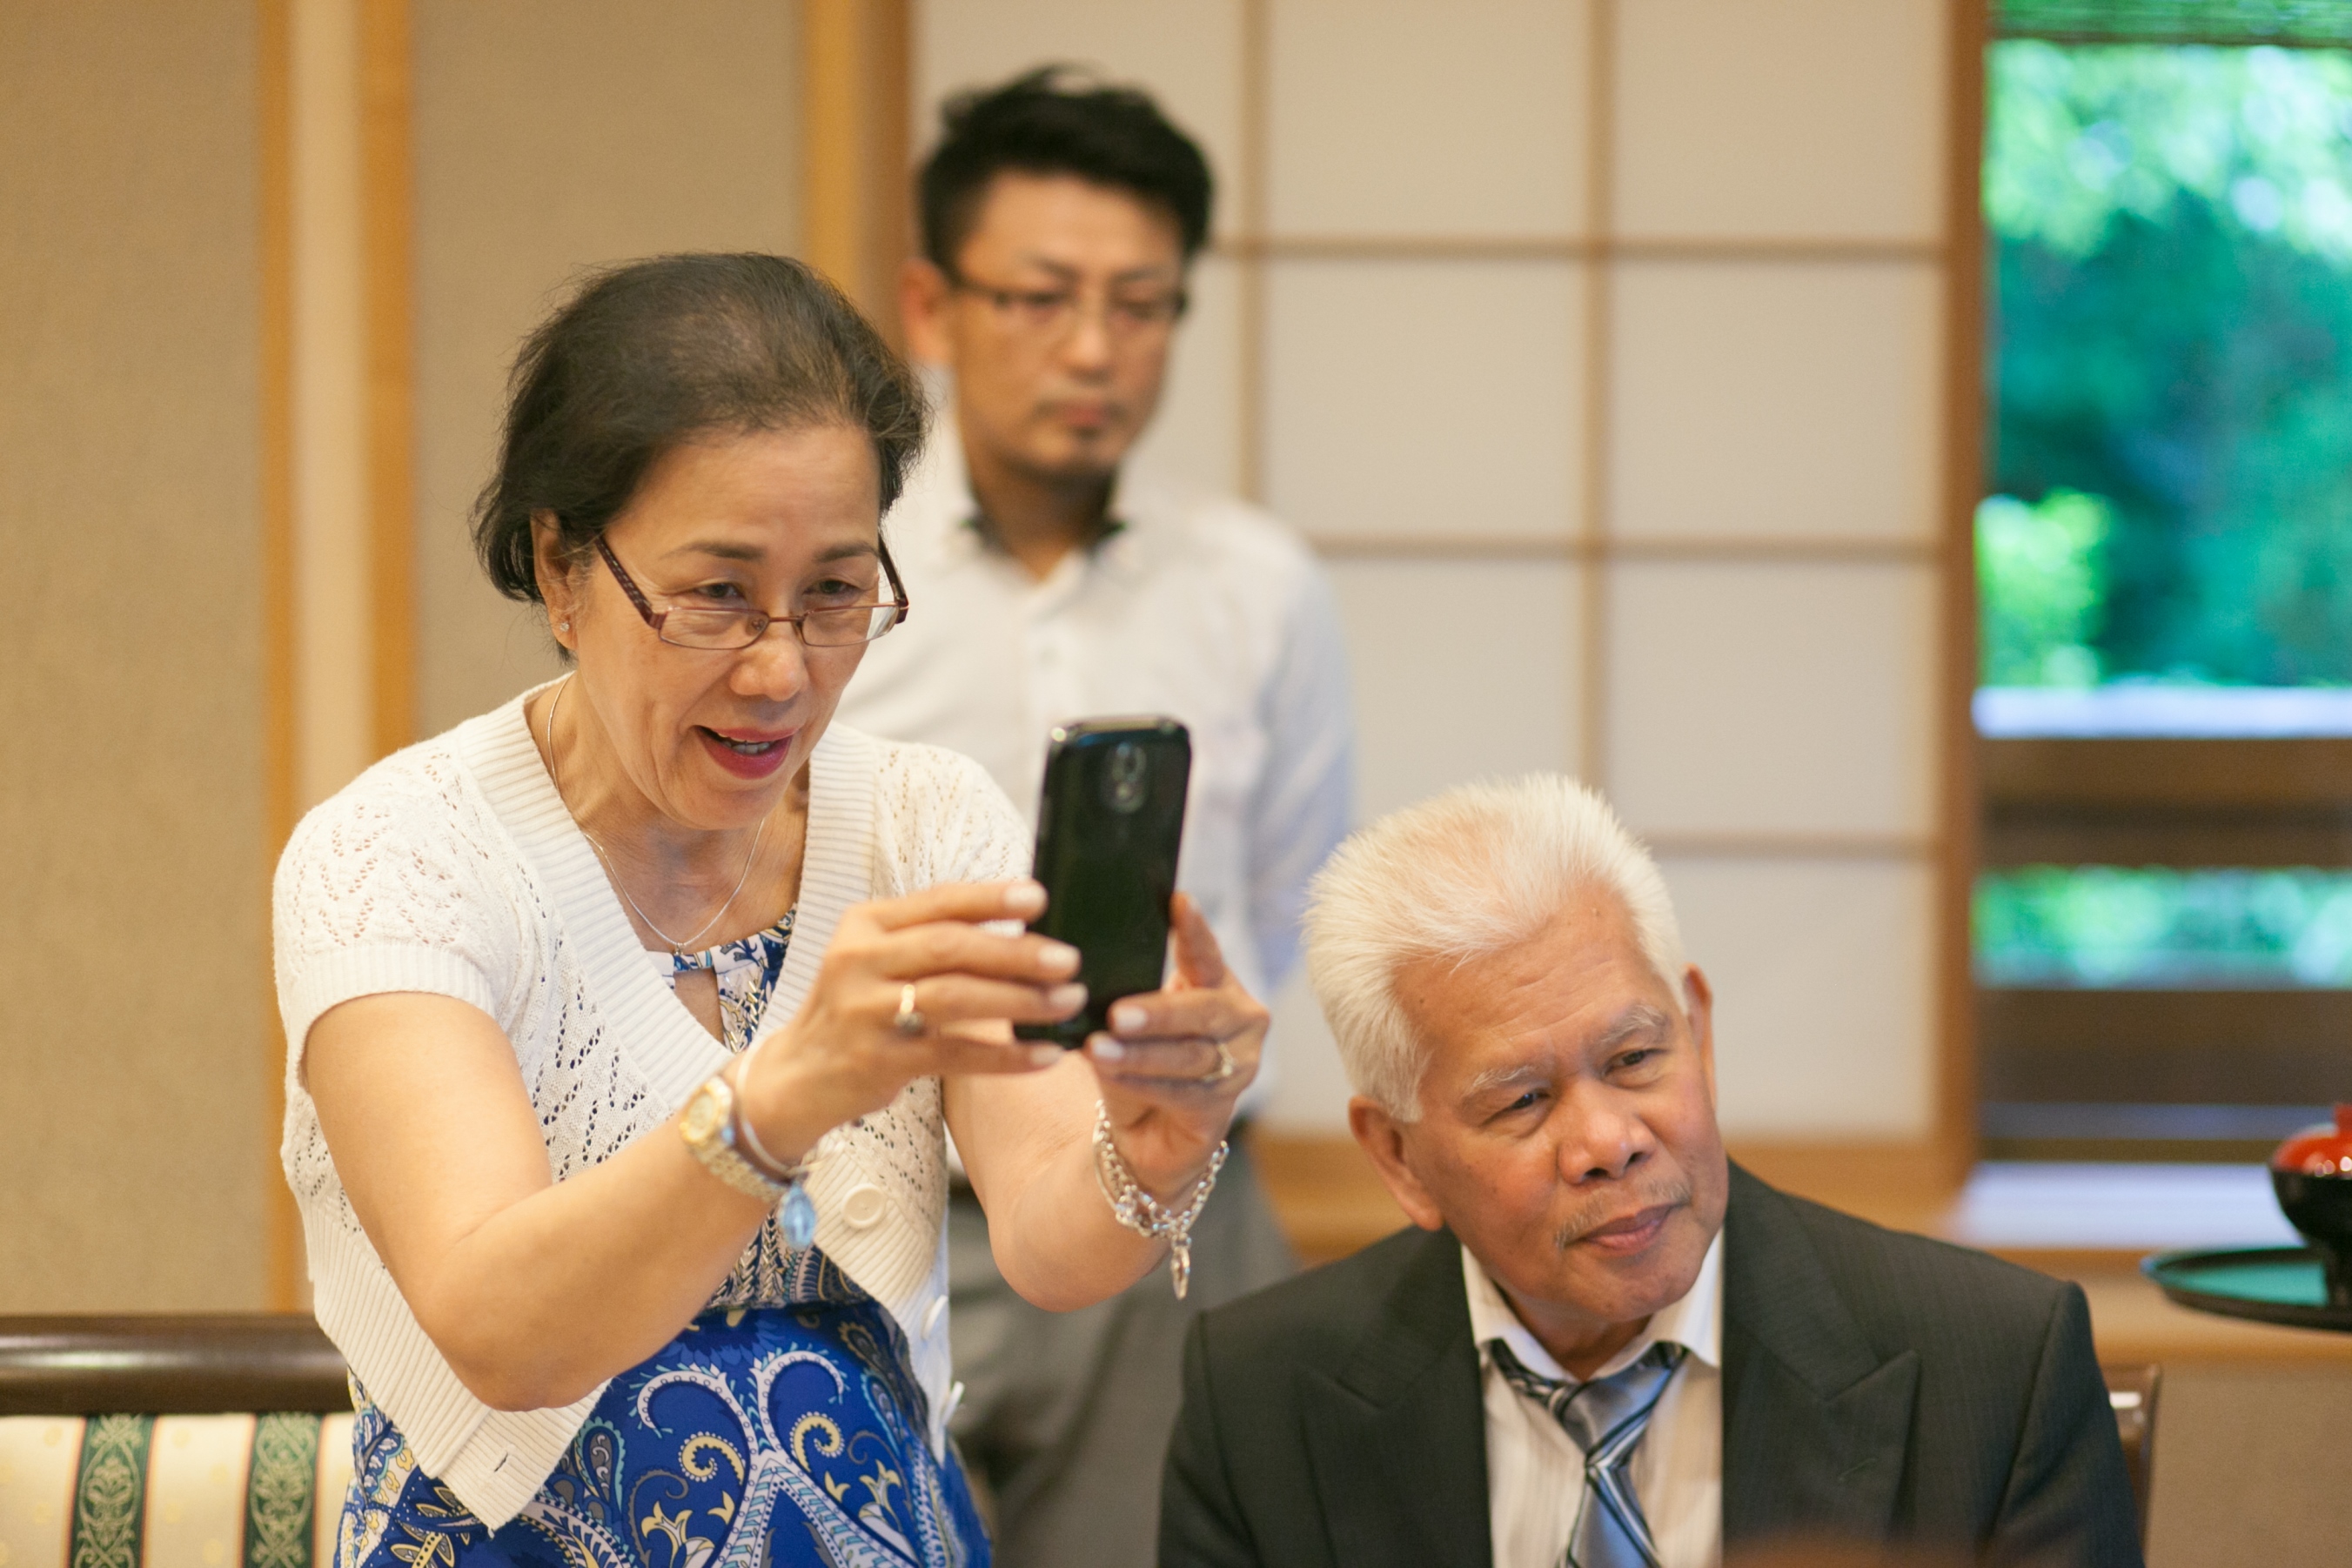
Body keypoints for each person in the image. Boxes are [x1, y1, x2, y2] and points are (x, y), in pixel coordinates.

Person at [273, 252, 1270, 1568]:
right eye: (718, 595)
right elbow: (499, 1326)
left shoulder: (923, 820)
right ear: (561, 566)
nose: (781, 671)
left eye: (836, 593)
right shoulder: (400, 851)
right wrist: (783, 1094)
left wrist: (1156, 1144)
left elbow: (1046, 1243)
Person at [1159, 777, 2146, 1568]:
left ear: (1699, 1037)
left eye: (1635, 1058)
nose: (1609, 1141)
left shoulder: (1996, 1369)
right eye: (1521, 1101)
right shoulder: (1260, 1399)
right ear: (1398, 1156)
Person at [833, 69, 1352, 1565]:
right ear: (931, 306)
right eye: (1039, 296)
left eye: (1139, 304)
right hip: (870, 1198)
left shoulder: (1254, 585)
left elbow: (1286, 887)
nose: (1091, 348)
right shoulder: (835, 569)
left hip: (1167, 1201)